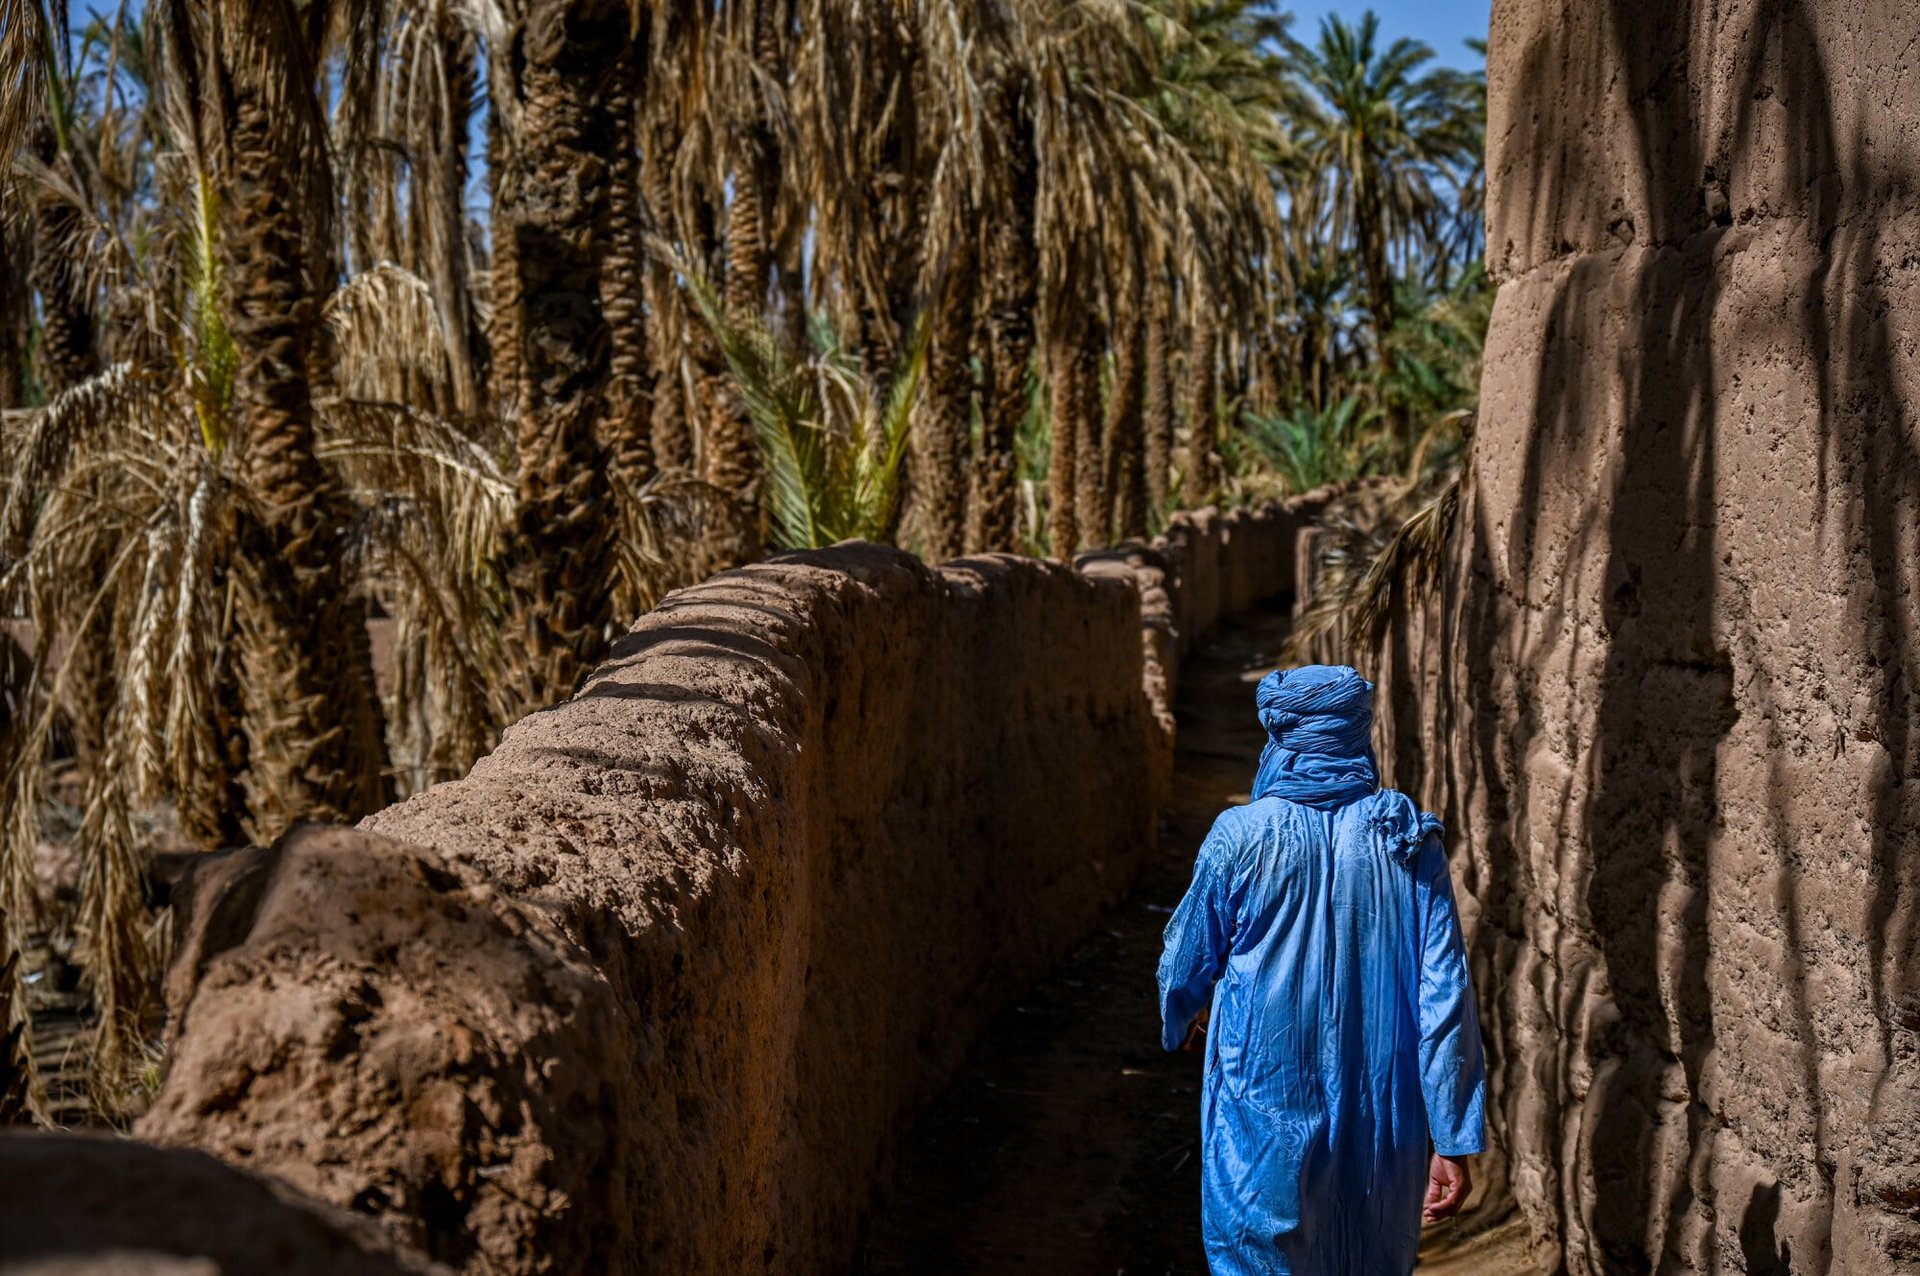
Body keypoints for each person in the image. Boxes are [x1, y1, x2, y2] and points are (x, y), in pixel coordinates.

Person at [1156, 664, 1486, 1275]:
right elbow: (1444, 997)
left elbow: (1184, 965)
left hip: (1263, 1102)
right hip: (1385, 1116)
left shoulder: (1241, 836)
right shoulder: (1407, 838)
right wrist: (1450, 1134)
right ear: (1360, 733)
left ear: (1279, 738)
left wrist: (1185, 1015)